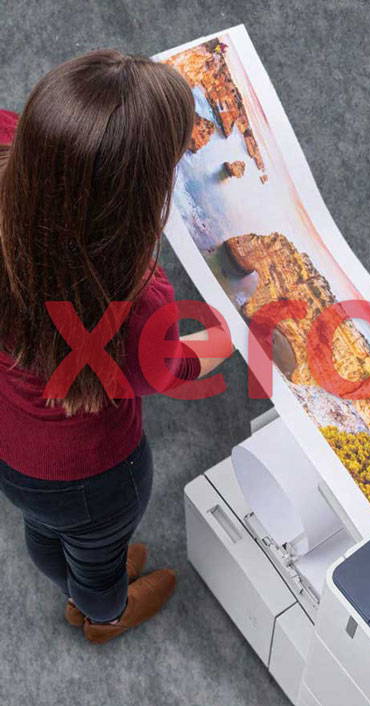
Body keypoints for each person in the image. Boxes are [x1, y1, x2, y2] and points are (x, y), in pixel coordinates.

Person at [0, 51, 229, 644]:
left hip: (13, 451)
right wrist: (239, 327)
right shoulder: (126, 307)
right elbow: (177, 366)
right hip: (94, 474)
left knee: (44, 530)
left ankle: (79, 581)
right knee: (98, 550)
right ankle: (103, 611)